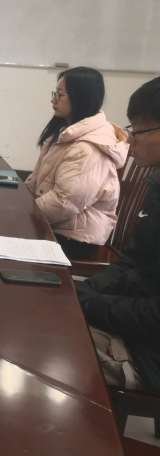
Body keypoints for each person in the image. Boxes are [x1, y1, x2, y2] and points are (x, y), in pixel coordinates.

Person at [77, 76, 160, 394]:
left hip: (147, 353)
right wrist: (86, 293)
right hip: (136, 325)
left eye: (137, 130)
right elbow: (132, 259)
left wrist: (93, 305)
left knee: (47, 349)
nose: (129, 141)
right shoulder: (157, 185)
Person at [24, 67, 128, 259]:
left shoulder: (88, 147)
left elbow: (64, 203)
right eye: (54, 93)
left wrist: (24, 213)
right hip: (56, 225)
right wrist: (18, 202)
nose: (53, 100)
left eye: (60, 94)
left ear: (80, 97)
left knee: (1, 235)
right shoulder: (66, 133)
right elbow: (36, 180)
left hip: (75, 238)